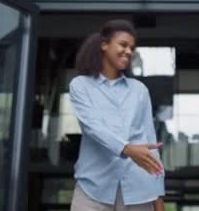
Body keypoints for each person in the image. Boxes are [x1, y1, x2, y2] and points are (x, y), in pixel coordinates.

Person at [69, 19, 165, 211]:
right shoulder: (80, 86)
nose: (129, 51)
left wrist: (158, 194)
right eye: (123, 44)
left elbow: (150, 142)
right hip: (92, 191)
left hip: (138, 192)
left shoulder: (139, 90)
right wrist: (127, 149)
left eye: (132, 47)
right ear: (104, 44)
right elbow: (93, 127)